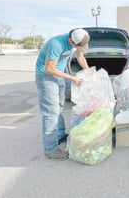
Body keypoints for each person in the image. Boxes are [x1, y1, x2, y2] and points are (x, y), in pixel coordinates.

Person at [35, 28, 90, 160]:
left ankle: (59, 135)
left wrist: (89, 72)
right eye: (77, 46)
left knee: (59, 107)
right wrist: (73, 79)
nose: (80, 48)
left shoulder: (79, 39)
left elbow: (80, 55)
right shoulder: (56, 44)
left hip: (58, 76)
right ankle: (50, 149)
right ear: (71, 41)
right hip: (46, 77)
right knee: (51, 112)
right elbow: (49, 68)